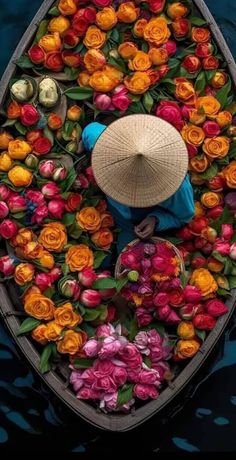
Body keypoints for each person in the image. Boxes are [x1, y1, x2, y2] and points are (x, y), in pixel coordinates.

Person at [82, 114, 194, 253]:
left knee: (128, 257)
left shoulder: (177, 189)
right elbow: (89, 130)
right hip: (114, 212)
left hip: (136, 222)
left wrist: (155, 220)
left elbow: (184, 217)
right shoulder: (103, 143)